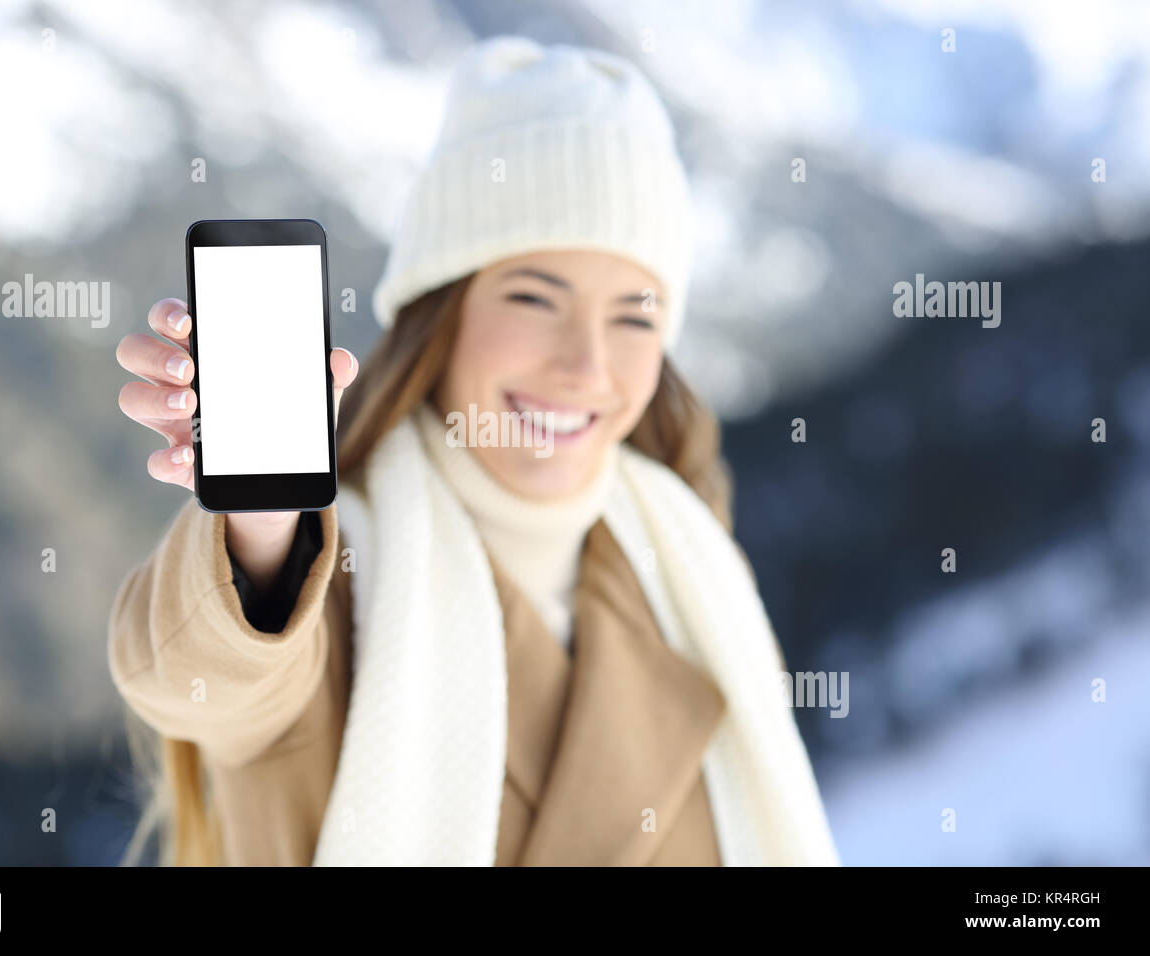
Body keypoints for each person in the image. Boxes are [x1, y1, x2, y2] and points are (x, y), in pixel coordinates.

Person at [109, 35, 840, 866]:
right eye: (533, 297)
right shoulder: (337, 584)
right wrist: (263, 531)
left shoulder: (690, 580)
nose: (586, 366)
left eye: (635, 315)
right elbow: (201, 684)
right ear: (441, 311)